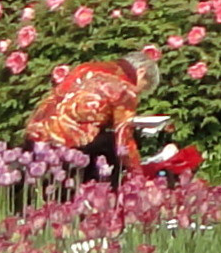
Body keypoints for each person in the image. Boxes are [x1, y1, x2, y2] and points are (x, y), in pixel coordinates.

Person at [25, 47, 158, 185]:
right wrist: (138, 176)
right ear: (141, 73)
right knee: (112, 144)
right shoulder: (125, 89)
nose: (138, 94)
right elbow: (123, 139)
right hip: (69, 148)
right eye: (142, 88)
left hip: (36, 135)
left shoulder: (86, 68)